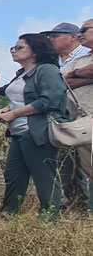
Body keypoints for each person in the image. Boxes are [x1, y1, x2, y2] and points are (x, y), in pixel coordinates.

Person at [0, 33, 68, 220]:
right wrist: (8, 108)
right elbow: (23, 99)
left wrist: (14, 113)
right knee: (13, 176)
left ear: (35, 52)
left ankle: (49, 218)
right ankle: (9, 215)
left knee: (44, 176)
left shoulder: (46, 70)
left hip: (38, 131)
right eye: (13, 47)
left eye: (19, 47)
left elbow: (50, 100)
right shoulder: (22, 74)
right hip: (19, 132)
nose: (13, 50)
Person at [41, 22, 91, 208]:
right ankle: (78, 204)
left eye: (56, 36)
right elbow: (59, 82)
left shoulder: (82, 57)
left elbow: (63, 81)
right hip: (71, 118)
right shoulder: (55, 60)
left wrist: (72, 76)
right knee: (76, 165)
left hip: (87, 116)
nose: (51, 40)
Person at [61, 18, 93, 212]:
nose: (80, 33)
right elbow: (62, 82)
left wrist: (76, 75)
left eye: (84, 29)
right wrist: (84, 75)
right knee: (90, 169)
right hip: (82, 122)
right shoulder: (81, 59)